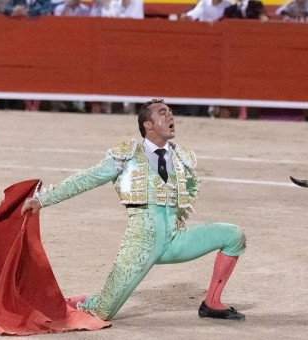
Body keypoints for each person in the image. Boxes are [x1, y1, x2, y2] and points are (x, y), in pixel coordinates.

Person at [20, 98, 247, 321]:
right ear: (147, 125)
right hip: (139, 245)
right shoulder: (127, 156)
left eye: (170, 111)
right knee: (102, 312)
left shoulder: (181, 158)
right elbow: (86, 180)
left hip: (174, 240)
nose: (171, 116)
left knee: (233, 235)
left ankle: (212, 303)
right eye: (162, 113)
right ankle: (63, 302)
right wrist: (43, 200)